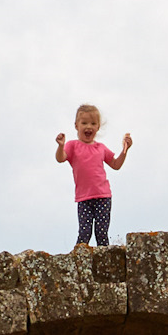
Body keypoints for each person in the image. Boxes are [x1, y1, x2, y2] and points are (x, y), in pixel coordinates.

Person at [54, 104, 132, 248]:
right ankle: (77, 261)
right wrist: (60, 145)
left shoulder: (100, 148)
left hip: (103, 196)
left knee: (101, 233)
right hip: (84, 198)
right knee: (84, 233)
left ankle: (106, 262)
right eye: (84, 123)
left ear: (98, 127)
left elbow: (116, 165)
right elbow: (60, 158)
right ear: (76, 126)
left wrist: (125, 150)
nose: (88, 127)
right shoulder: (72, 146)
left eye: (93, 123)